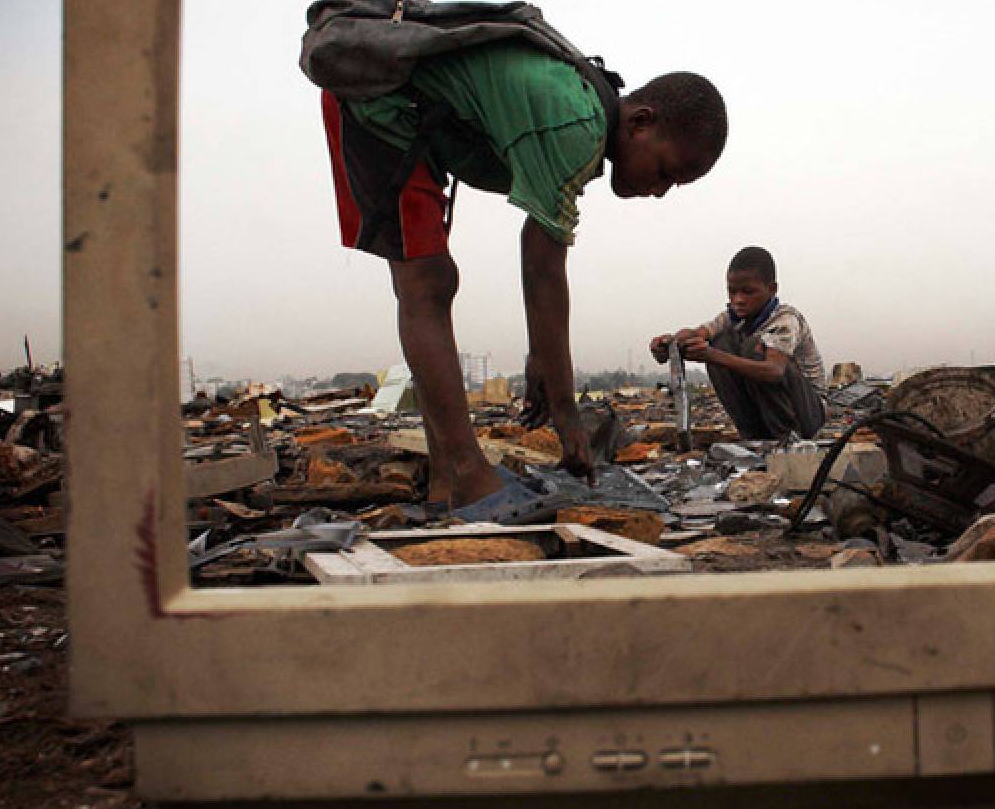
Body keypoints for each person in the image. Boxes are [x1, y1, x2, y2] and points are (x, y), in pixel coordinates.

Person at [322, 38, 727, 515]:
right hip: (381, 107)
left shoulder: (583, 114)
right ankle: (469, 478)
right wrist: (565, 411)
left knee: (432, 280)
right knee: (427, 284)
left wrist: (542, 357)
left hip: (411, 120)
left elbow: (540, 266)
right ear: (640, 122)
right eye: (665, 172)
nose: (659, 191)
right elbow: (542, 268)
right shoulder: (577, 124)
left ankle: (445, 482)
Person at [651, 246, 826, 440]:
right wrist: (671, 344)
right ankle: (753, 435)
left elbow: (774, 371)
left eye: (748, 292)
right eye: (732, 292)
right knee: (720, 341)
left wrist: (711, 355)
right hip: (768, 412)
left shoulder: (785, 319)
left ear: (772, 289)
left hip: (809, 414)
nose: (738, 300)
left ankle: (788, 436)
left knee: (753, 349)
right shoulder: (734, 317)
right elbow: (699, 333)